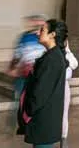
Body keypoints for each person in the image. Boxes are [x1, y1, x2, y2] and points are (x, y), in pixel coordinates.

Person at [19, 19, 68, 148]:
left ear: (52, 34)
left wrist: (28, 111)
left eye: (43, 30)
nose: (37, 33)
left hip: (43, 121)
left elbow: (40, 92)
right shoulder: (52, 56)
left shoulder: (52, 60)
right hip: (45, 120)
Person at [8, 15, 48, 102]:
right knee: (22, 100)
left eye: (39, 22)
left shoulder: (46, 38)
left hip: (40, 74)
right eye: (34, 22)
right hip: (25, 74)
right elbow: (17, 54)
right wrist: (12, 68)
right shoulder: (25, 37)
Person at [62, 41, 79, 145]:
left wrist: (66, 53)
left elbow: (74, 64)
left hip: (63, 84)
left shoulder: (67, 53)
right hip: (53, 84)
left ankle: (63, 138)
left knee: (64, 114)